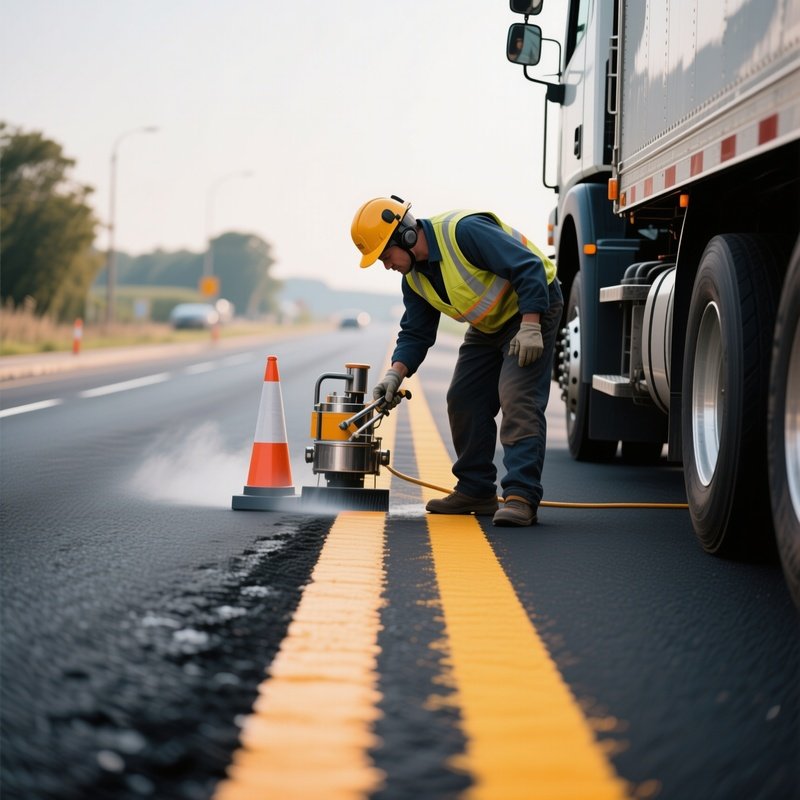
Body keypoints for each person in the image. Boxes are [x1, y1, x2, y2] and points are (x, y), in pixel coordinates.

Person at [350, 195, 563, 527]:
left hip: (532, 307)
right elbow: (416, 332)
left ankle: (521, 496)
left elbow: (528, 266)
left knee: (517, 396)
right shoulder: (414, 279)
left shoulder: (463, 233)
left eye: (385, 255)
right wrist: (395, 374)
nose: (386, 265)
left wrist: (532, 324)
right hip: (489, 325)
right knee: (463, 399)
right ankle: (476, 490)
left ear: (404, 236)